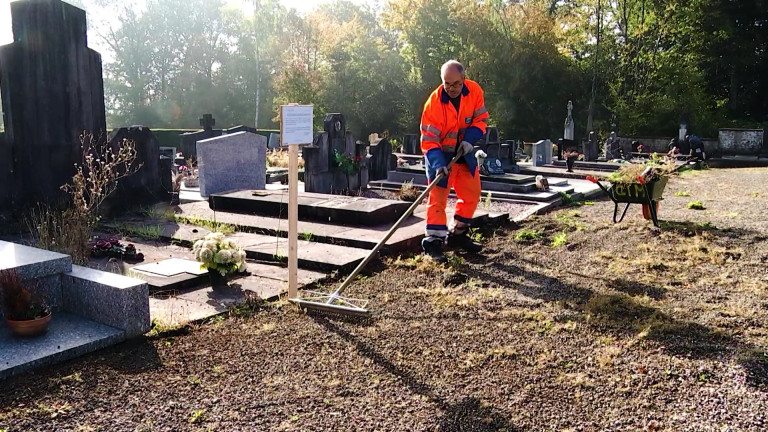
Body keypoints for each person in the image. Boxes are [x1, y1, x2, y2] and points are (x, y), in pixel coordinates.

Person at [419, 60, 489, 262]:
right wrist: (438, 163)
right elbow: (429, 139)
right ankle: (433, 243)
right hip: (440, 157)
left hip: (464, 154)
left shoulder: (474, 91)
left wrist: (469, 140)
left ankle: (457, 235)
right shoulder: (433, 104)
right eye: (446, 84)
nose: (451, 88)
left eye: (455, 84)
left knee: (471, 194)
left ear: (463, 80)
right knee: (437, 200)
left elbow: (481, 119)